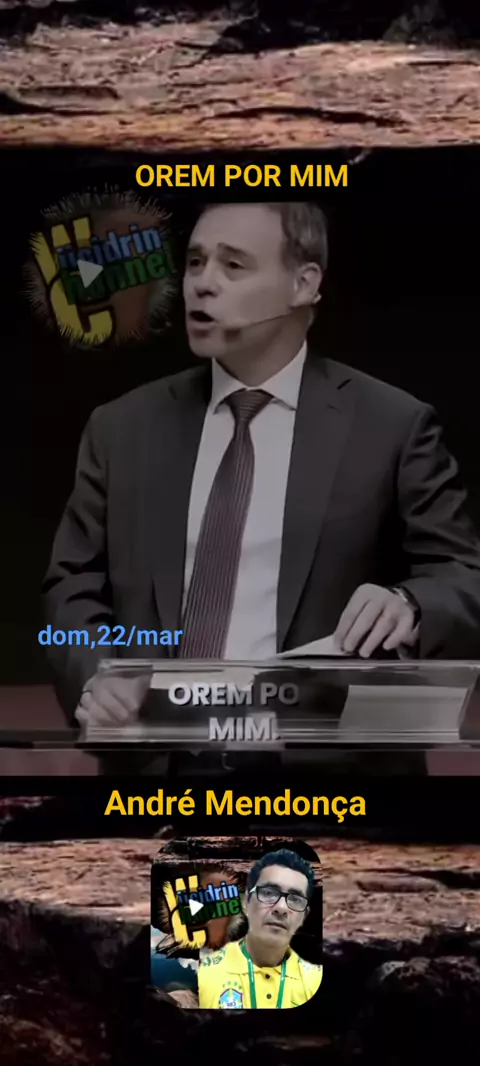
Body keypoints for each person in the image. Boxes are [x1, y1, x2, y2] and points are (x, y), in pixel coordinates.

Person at [43, 200, 480, 730]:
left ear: (303, 284)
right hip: (158, 758)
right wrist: (96, 676)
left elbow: (464, 577)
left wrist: (410, 602)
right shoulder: (122, 428)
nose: (202, 284)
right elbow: (72, 588)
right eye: (196, 262)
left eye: (233, 265)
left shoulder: (391, 425)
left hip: (325, 764)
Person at [197, 849, 322, 1009]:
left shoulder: (315, 981)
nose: (281, 907)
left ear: (303, 917)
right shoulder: (204, 973)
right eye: (269, 893)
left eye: (295, 899)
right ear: (246, 902)